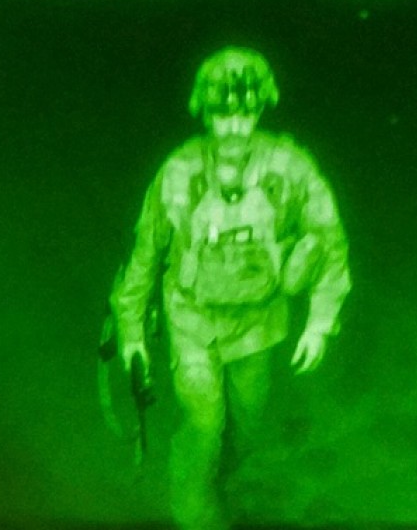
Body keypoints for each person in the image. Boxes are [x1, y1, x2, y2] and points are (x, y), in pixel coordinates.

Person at [109, 46, 352, 530]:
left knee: (247, 425)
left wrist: (320, 322)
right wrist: (131, 332)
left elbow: (329, 241)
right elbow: (146, 253)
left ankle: (217, 478)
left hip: (258, 324)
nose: (235, 127)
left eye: (246, 114)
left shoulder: (291, 168)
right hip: (192, 319)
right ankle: (197, 514)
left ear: (260, 110)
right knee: (204, 424)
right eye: (223, 115)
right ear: (205, 114)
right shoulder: (178, 172)